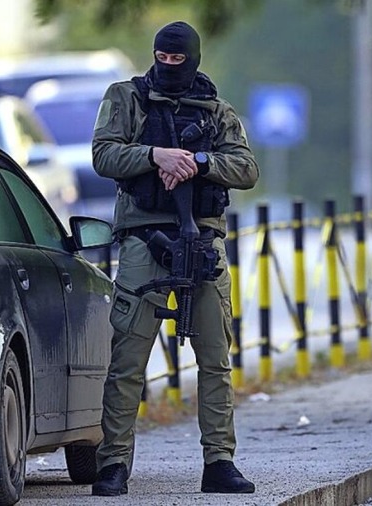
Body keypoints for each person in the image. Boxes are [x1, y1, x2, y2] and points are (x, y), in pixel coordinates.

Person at [90, 21, 259, 496]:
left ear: (193, 58)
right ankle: (114, 464)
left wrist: (199, 162)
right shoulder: (126, 98)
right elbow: (104, 155)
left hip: (201, 244)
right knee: (128, 358)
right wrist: (156, 156)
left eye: (177, 60)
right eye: (161, 58)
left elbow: (246, 168)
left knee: (215, 361)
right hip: (146, 239)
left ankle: (219, 462)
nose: (168, 66)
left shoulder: (217, 110)